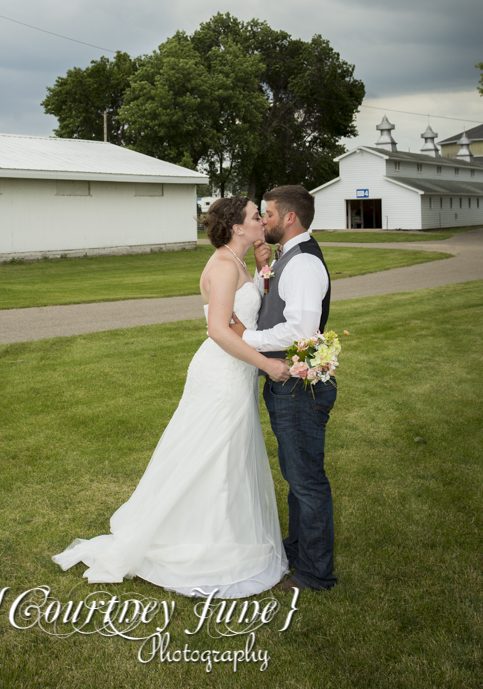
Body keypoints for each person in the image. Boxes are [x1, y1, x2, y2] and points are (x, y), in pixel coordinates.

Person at [52, 196, 291, 597]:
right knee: (215, 456)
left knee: (226, 456)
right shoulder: (221, 265)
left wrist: (265, 269)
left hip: (235, 370)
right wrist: (267, 365)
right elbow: (218, 329)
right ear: (236, 227)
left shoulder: (237, 261)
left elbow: (241, 317)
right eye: (254, 217)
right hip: (222, 373)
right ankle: (204, 544)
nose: (260, 221)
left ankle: (225, 535)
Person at [230, 184, 336, 592]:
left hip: (298, 388)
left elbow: (301, 331)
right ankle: (297, 551)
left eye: (268, 214)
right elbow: (277, 309)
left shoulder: (304, 264)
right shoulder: (286, 257)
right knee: (297, 476)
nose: (264, 221)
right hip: (287, 386)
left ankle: (314, 574)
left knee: (307, 481)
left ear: (289, 218)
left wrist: (243, 339)